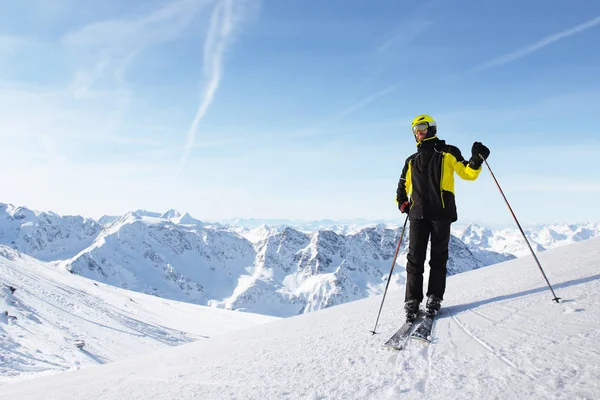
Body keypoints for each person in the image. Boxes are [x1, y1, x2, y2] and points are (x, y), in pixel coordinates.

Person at [396, 114, 490, 321]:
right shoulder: (411, 160)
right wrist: (402, 203)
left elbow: (467, 173)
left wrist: (476, 160)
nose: (418, 132)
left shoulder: (448, 152)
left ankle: (434, 297)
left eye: (421, 127)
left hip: (441, 213)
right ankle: (412, 300)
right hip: (417, 215)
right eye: (415, 130)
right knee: (415, 259)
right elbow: (402, 185)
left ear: (431, 128)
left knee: (439, 258)